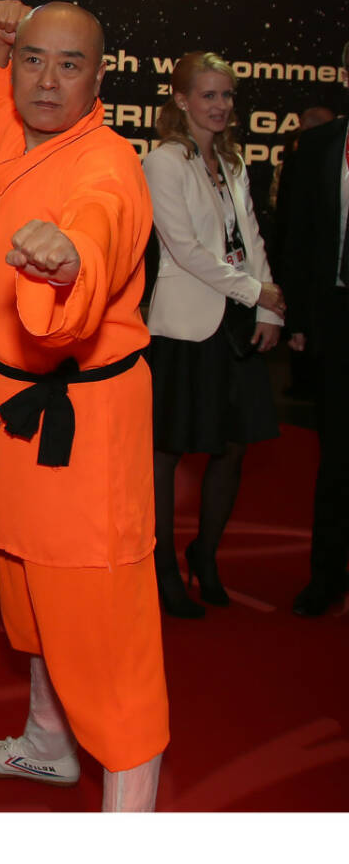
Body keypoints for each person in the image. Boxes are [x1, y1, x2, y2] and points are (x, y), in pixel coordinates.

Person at [0, 0, 168, 811]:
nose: (45, 79)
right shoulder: (20, 133)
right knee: (31, 587)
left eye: (68, 64)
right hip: (14, 413)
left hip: (84, 427)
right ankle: (48, 742)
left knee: (102, 618)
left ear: (99, 77)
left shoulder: (108, 163)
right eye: (32, 59)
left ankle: (130, 808)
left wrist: (69, 261)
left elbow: (101, 226)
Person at [142, 53, 283, 619]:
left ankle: (206, 554)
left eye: (227, 95)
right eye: (209, 95)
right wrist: (255, 293)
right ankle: (160, 566)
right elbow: (184, 248)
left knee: (233, 446)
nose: (221, 105)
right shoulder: (163, 163)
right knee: (167, 450)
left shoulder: (231, 161)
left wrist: (268, 308)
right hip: (183, 325)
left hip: (236, 319)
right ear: (181, 100)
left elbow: (249, 236)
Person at [281, 39, 349, 617]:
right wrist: (299, 320)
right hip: (337, 323)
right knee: (337, 460)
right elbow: (297, 237)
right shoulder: (320, 146)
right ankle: (326, 576)